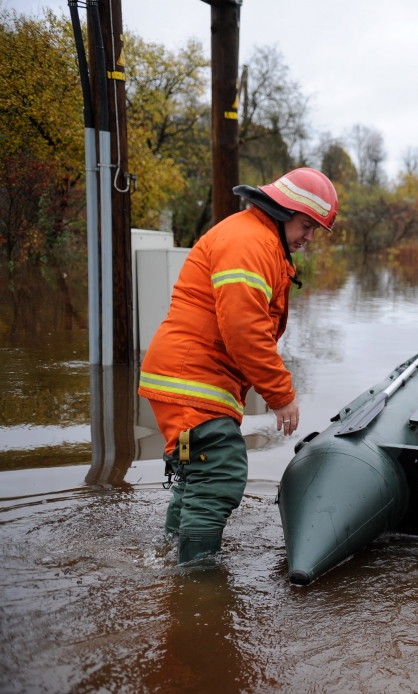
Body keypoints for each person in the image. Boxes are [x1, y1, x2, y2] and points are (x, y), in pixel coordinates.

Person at [138, 168, 338, 563]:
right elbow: (245, 329)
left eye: (315, 228)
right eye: (306, 224)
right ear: (283, 211)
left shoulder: (254, 237)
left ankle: (170, 557)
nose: (309, 236)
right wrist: (281, 395)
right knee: (219, 472)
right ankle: (196, 580)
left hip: (187, 377)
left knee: (197, 473)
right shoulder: (251, 243)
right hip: (192, 379)